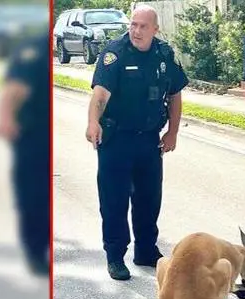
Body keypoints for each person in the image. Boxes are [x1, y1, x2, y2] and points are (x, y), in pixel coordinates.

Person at [85, 5, 189, 281]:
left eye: (143, 26)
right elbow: (100, 94)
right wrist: (93, 121)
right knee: (114, 200)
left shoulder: (163, 54)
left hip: (148, 142)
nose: (137, 31)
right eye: (133, 25)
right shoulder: (115, 53)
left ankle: (145, 250)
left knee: (148, 198)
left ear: (155, 29)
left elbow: (175, 94)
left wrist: (173, 132)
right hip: (116, 141)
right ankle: (115, 256)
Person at [0, 27, 51, 277]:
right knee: (33, 195)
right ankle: (35, 251)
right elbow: (15, 88)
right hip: (31, 135)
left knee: (44, 196)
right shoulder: (34, 49)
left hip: (46, 135)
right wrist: (6, 119)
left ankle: (43, 243)